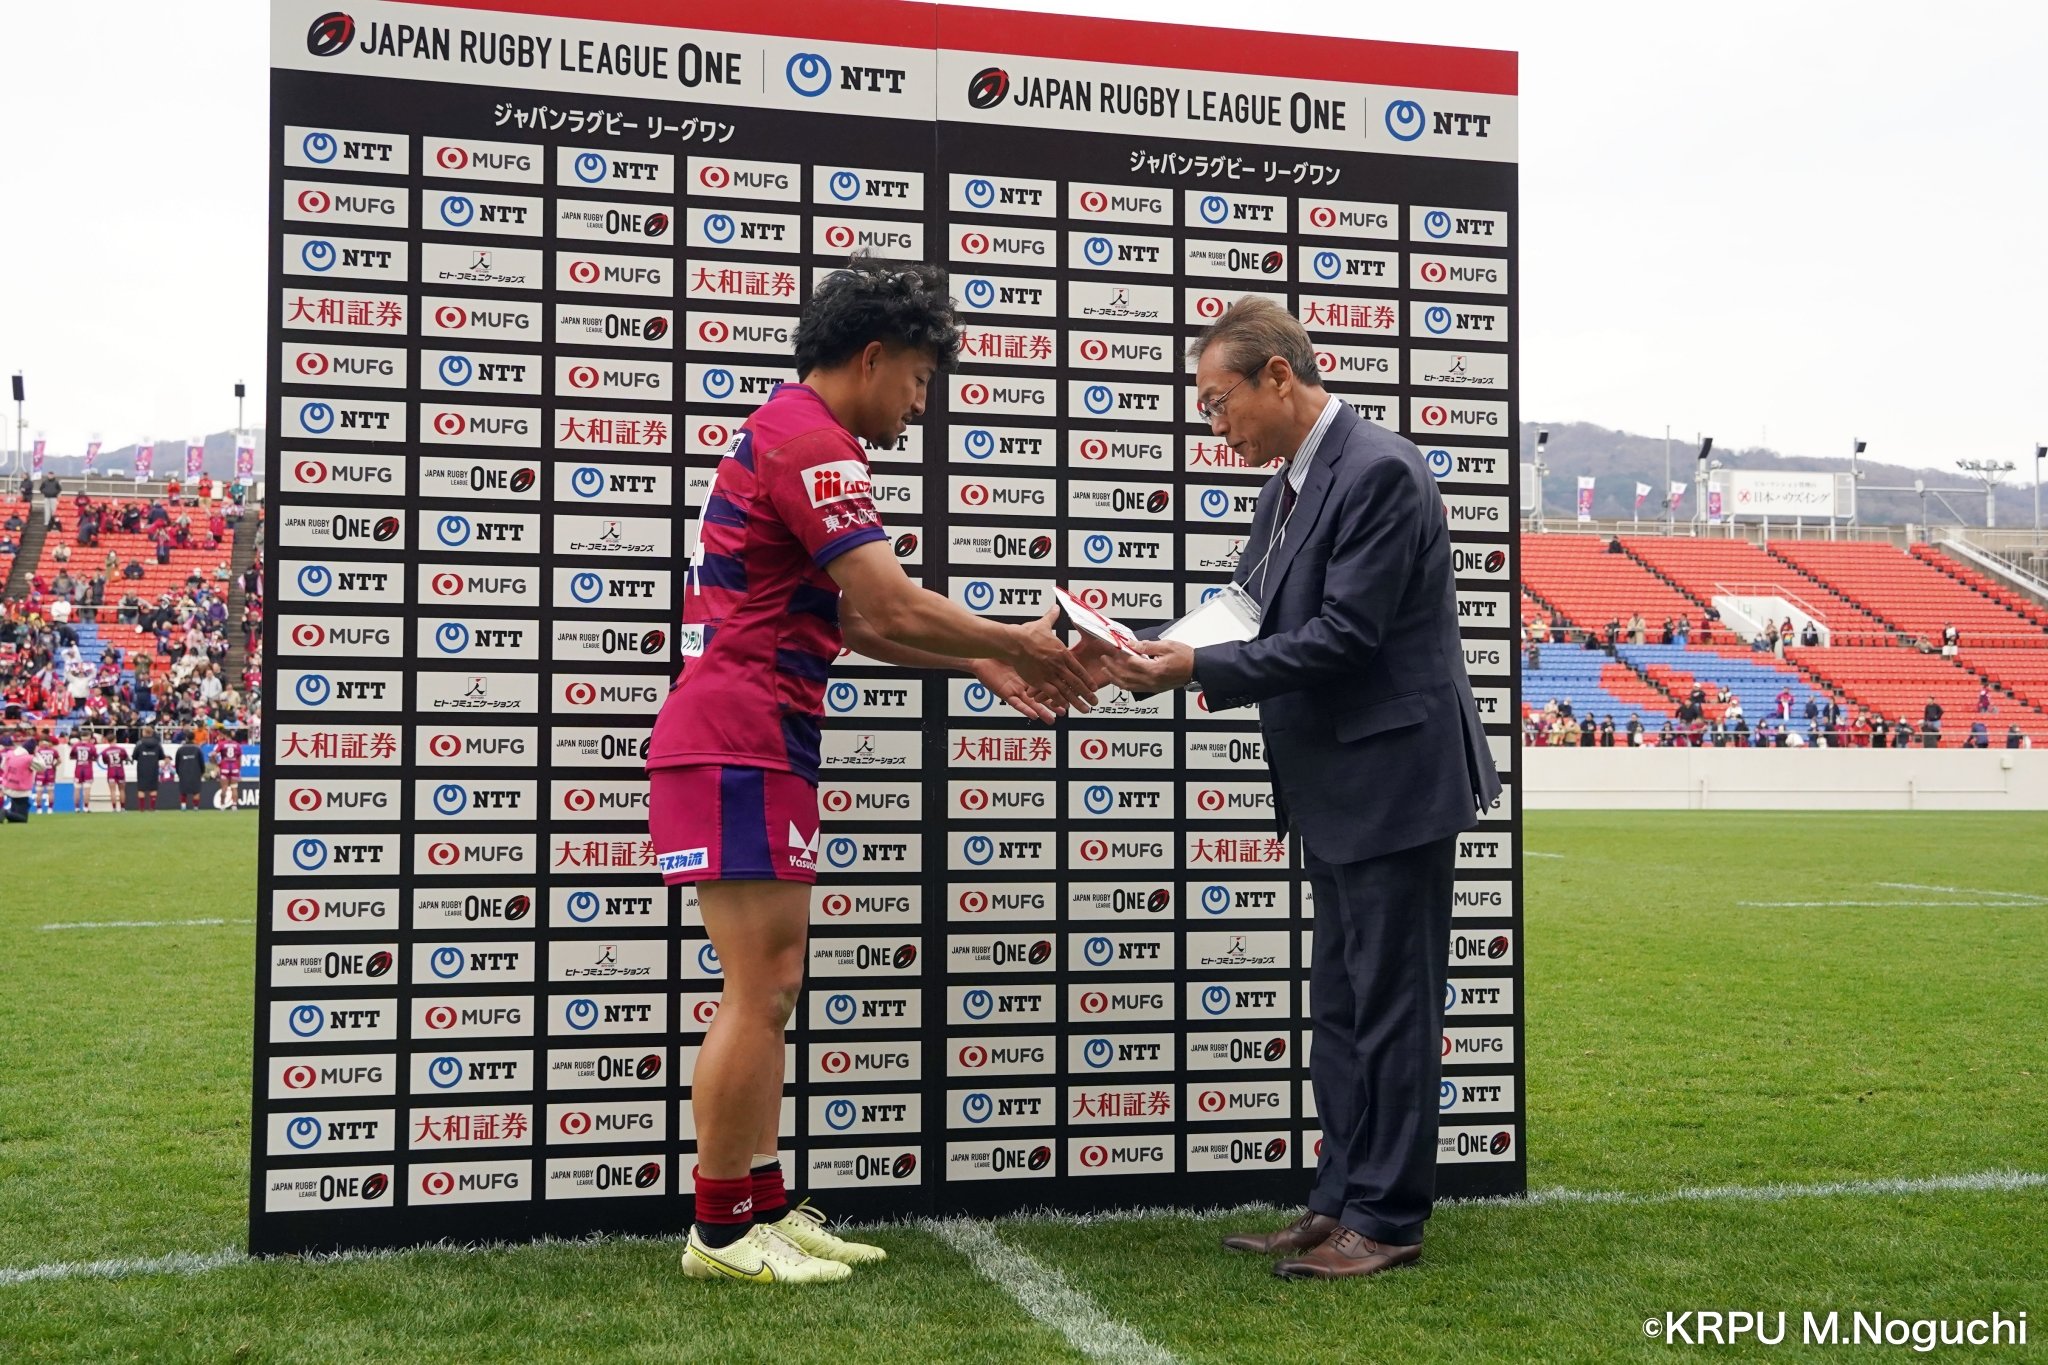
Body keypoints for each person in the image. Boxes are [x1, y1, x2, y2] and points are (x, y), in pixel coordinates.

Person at [644, 258, 1093, 1286]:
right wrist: (1018, 643)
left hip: (754, 733)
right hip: (739, 734)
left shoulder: (793, 431)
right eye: (921, 381)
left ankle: (760, 1206)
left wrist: (977, 661)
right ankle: (721, 1231)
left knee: (773, 986)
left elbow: (849, 619)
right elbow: (888, 603)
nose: (921, 406)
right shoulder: (810, 437)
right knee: (760, 988)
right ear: (874, 357)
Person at [1088, 296, 1499, 1282]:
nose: (1213, 426)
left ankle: (1386, 1217)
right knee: (1343, 1006)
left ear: (1278, 375)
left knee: (1392, 1003)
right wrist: (1153, 649)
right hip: (1337, 785)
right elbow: (1243, 612)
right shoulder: (1291, 483)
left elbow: (1346, 637)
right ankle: (1338, 1201)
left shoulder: (1380, 469)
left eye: (1216, 401)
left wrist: (1190, 670)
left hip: (1394, 782)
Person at [132, 726, 165, 811]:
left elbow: (134, 756)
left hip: (142, 768)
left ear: (144, 733)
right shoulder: (157, 743)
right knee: (153, 788)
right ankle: (152, 808)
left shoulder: (139, 743)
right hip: (154, 767)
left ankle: (141, 808)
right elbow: (162, 756)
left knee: (141, 788)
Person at [173, 730, 207, 810]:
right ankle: (195, 807)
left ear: (186, 738)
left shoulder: (180, 749)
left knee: (183, 790)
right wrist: (202, 771)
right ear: (194, 738)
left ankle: (183, 806)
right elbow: (201, 762)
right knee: (196, 790)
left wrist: (178, 772)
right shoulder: (197, 749)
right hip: (196, 772)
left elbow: (177, 762)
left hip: (183, 772)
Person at [1, 735, 31, 823]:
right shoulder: (14, 753)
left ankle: (8, 814)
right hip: (16, 782)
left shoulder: (6, 753)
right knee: (22, 816)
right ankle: (5, 812)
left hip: (7, 779)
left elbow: (2, 766)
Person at [69, 727, 98, 812]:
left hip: (78, 768)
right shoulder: (91, 746)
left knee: (77, 789)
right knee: (87, 789)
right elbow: (95, 757)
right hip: (88, 769)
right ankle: (86, 808)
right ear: (88, 736)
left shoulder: (75, 745)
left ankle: (77, 808)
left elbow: (71, 756)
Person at [214, 727, 243, 810]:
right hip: (234, 768)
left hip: (224, 767)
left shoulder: (222, 744)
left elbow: (214, 754)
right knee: (234, 787)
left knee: (224, 788)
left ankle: (222, 805)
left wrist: (217, 764)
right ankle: (234, 805)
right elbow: (240, 758)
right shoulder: (237, 745)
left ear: (225, 735)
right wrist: (239, 769)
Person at [102, 737, 128, 811]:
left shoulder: (105, 751)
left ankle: (114, 808)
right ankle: (122, 808)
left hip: (111, 771)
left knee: (112, 791)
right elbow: (125, 758)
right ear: (115, 740)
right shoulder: (122, 749)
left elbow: (105, 761)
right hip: (120, 771)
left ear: (107, 741)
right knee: (122, 790)